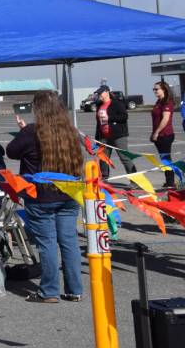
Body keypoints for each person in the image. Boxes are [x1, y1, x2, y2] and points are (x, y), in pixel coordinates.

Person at [7, 91, 84, 304]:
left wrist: (23, 132)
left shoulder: (32, 132)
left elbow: (11, 151)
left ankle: (49, 291)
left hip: (41, 197)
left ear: (38, 109)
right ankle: (74, 289)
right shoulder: (71, 131)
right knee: (69, 241)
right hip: (69, 194)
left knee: (47, 243)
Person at [94, 87, 135, 180]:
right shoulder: (99, 105)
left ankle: (135, 181)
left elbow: (124, 116)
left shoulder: (116, 103)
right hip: (104, 137)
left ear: (107, 92)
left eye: (100, 93)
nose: (99, 95)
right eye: (98, 93)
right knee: (103, 158)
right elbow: (98, 123)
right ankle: (104, 179)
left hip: (118, 135)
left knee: (125, 158)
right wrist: (97, 139)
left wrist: (109, 118)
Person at [151, 81, 177, 188]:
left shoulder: (167, 102)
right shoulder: (159, 102)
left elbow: (165, 119)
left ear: (164, 90)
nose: (155, 91)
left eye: (157, 89)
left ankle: (171, 182)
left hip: (165, 134)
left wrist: (156, 132)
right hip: (159, 135)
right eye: (154, 89)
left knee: (166, 159)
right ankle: (169, 181)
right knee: (164, 159)